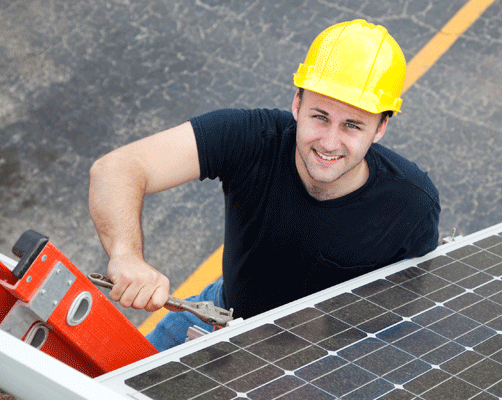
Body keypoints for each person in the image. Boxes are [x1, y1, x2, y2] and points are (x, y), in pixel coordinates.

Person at [88, 19, 440, 351]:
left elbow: (400, 318)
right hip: (222, 315)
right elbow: (117, 169)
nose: (330, 142)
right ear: (297, 104)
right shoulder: (252, 138)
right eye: (320, 116)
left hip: (319, 361)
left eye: (352, 125)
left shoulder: (412, 206)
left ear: (380, 128)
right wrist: (126, 255)